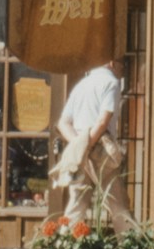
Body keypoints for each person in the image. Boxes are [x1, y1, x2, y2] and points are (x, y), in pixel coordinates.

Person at [53, 57, 136, 232]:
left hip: (79, 150)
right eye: (123, 65)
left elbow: (63, 123)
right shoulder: (111, 82)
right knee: (118, 204)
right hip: (101, 149)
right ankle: (129, 246)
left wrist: (79, 144)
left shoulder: (81, 85)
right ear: (112, 64)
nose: (123, 70)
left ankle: (63, 246)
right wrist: (88, 144)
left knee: (76, 204)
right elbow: (102, 122)